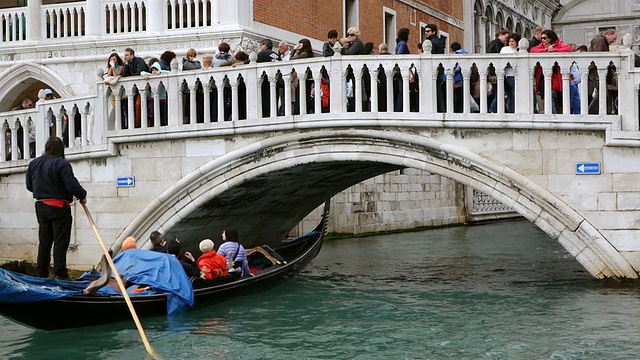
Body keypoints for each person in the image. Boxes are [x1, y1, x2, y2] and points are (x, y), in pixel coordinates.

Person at [26, 136, 87, 279]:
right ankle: (61, 273)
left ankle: (41, 273)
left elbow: (30, 186)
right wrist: (82, 195)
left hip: (41, 207)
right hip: (59, 208)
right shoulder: (61, 163)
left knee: (45, 242)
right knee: (60, 241)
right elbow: (71, 184)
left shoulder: (33, 163)